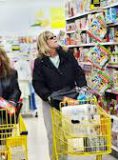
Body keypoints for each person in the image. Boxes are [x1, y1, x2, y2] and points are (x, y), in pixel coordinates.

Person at [32, 30, 87, 160]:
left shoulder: (67, 55)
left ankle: (65, 158)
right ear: (44, 43)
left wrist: (83, 87)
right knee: (53, 134)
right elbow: (37, 83)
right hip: (51, 101)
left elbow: (78, 72)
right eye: (51, 38)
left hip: (70, 99)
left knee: (69, 132)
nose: (55, 38)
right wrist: (48, 96)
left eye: (55, 36)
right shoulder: (39, 62)